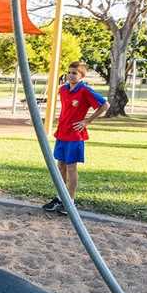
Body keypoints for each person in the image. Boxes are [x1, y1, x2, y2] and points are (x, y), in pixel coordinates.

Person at [42, 61, 110, 215]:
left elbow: (105, 105)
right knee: (61, 166)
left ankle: (70, 202)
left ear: (81, 76)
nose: (71, 75)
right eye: (69, 72)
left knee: (72, 168)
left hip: (75, 135)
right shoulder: (63, 89)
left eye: (75, 73)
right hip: (62, 133)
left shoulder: (85, 90)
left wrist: (87, 121)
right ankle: (60, 198)